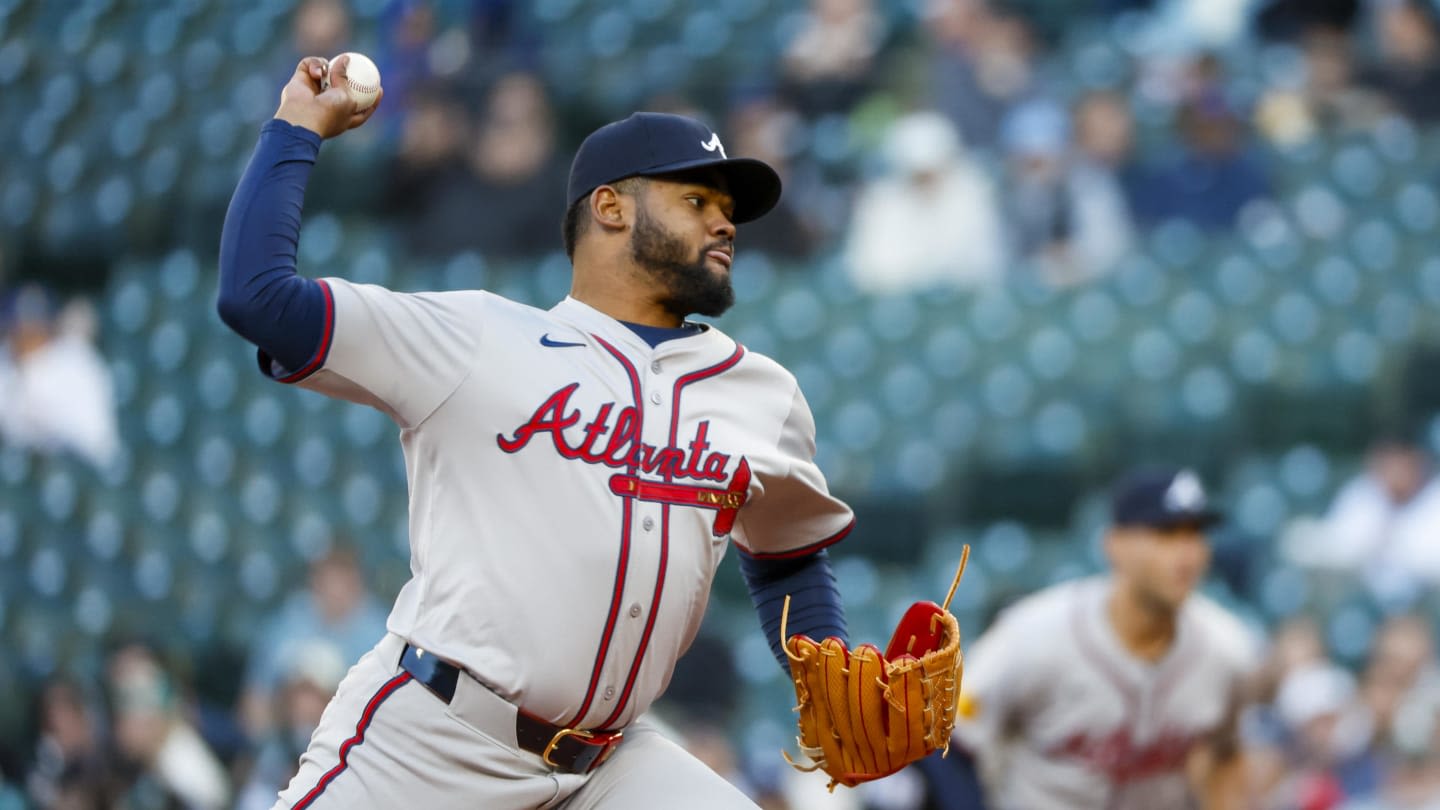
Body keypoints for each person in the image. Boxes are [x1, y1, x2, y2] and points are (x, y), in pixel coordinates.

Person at [217, 56, 856, 809]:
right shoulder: (478, 338)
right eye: (696, 199)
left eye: (728, 207)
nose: (726, 221)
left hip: (610, 767)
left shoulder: (761, 393)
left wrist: (829, 670)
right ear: (611, 209)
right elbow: (256, 297)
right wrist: (298, 126)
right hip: (437, 743)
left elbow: (786, 558)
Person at [937, 467, 1260, 809]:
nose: (1187, 553)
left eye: (1195, 534)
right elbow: (953, 743)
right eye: (1166, 533)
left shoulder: (1227, 651)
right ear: (1114, 545)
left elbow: (1227, 753)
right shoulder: (1034, 634)